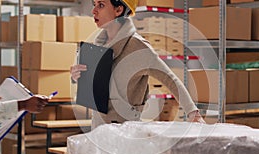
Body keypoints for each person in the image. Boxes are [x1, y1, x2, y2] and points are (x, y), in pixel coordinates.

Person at [70, 0, 205, 128]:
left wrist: (193, 113)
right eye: (94, 4)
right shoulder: (98, 45)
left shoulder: (138, 47)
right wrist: (78, 77)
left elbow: (170, 79)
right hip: (98, 129)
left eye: (101, 5)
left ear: (118, 9)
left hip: (125, 133)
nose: (93, 11)